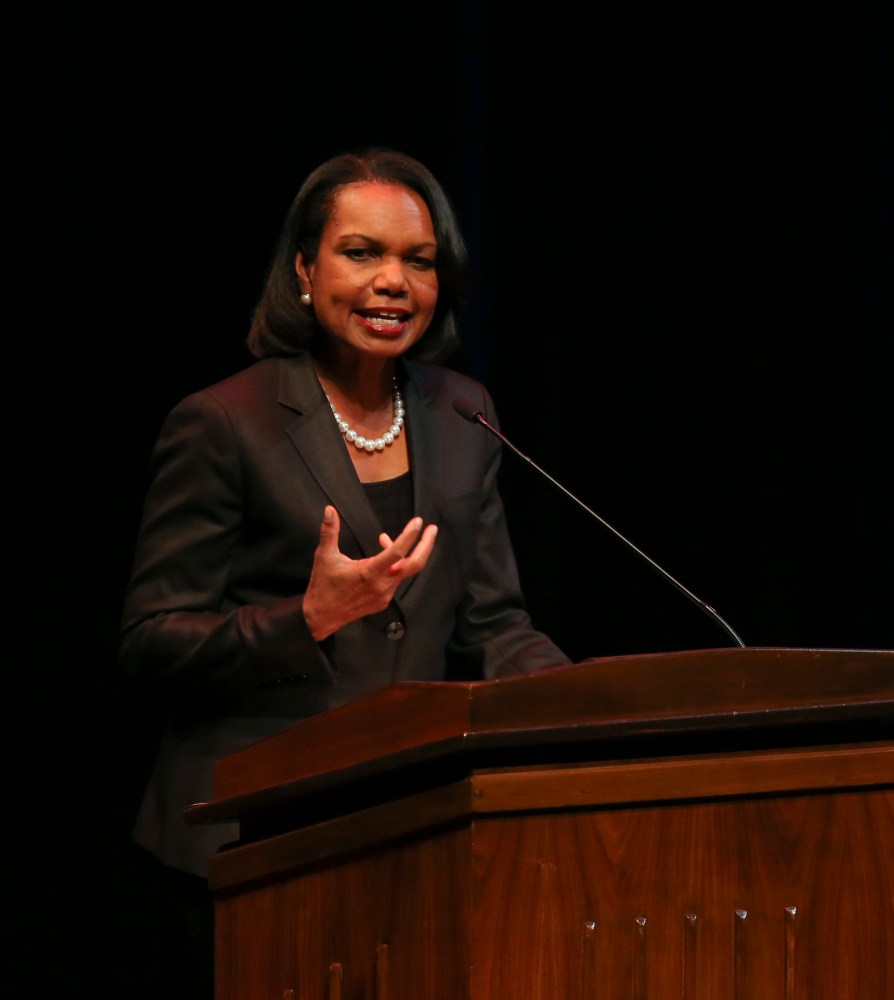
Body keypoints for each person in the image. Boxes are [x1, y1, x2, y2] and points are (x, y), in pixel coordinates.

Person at [118, 146, 571, 996]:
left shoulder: (464, 411)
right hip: (254, 838)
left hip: (410, 829)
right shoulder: (223, 422)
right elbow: (150, 641)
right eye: (362, 253)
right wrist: (308, 617)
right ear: (303, 268)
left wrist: (581, 708)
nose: (394, 281)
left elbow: (495, 625)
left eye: (419, 260)